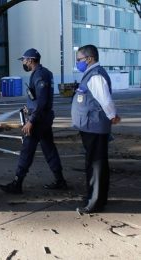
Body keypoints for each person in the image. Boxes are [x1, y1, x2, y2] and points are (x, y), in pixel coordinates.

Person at [0, 48, 67, 194]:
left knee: (27, 152)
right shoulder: (43, 73)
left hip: (38, 122)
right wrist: (29, 107)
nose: (23, 63)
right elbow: (37, 99)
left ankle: (17, 184)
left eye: (24, 60)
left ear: (30, 60)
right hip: (43, 119)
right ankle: (60, 180)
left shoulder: (39, 75)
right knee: (49, 150)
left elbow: (42, 101)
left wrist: (31, 120)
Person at [71, 44, 121, 214]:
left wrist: (112, 115)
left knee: (96, 165)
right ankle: (93, 197)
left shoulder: (96, 76)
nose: (77, 63)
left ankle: (96, 202)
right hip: (90, 126)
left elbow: (105, 100)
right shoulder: (90, 74)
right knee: (94, 163)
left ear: (89, 59)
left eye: (79, 60)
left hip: (95, 127)